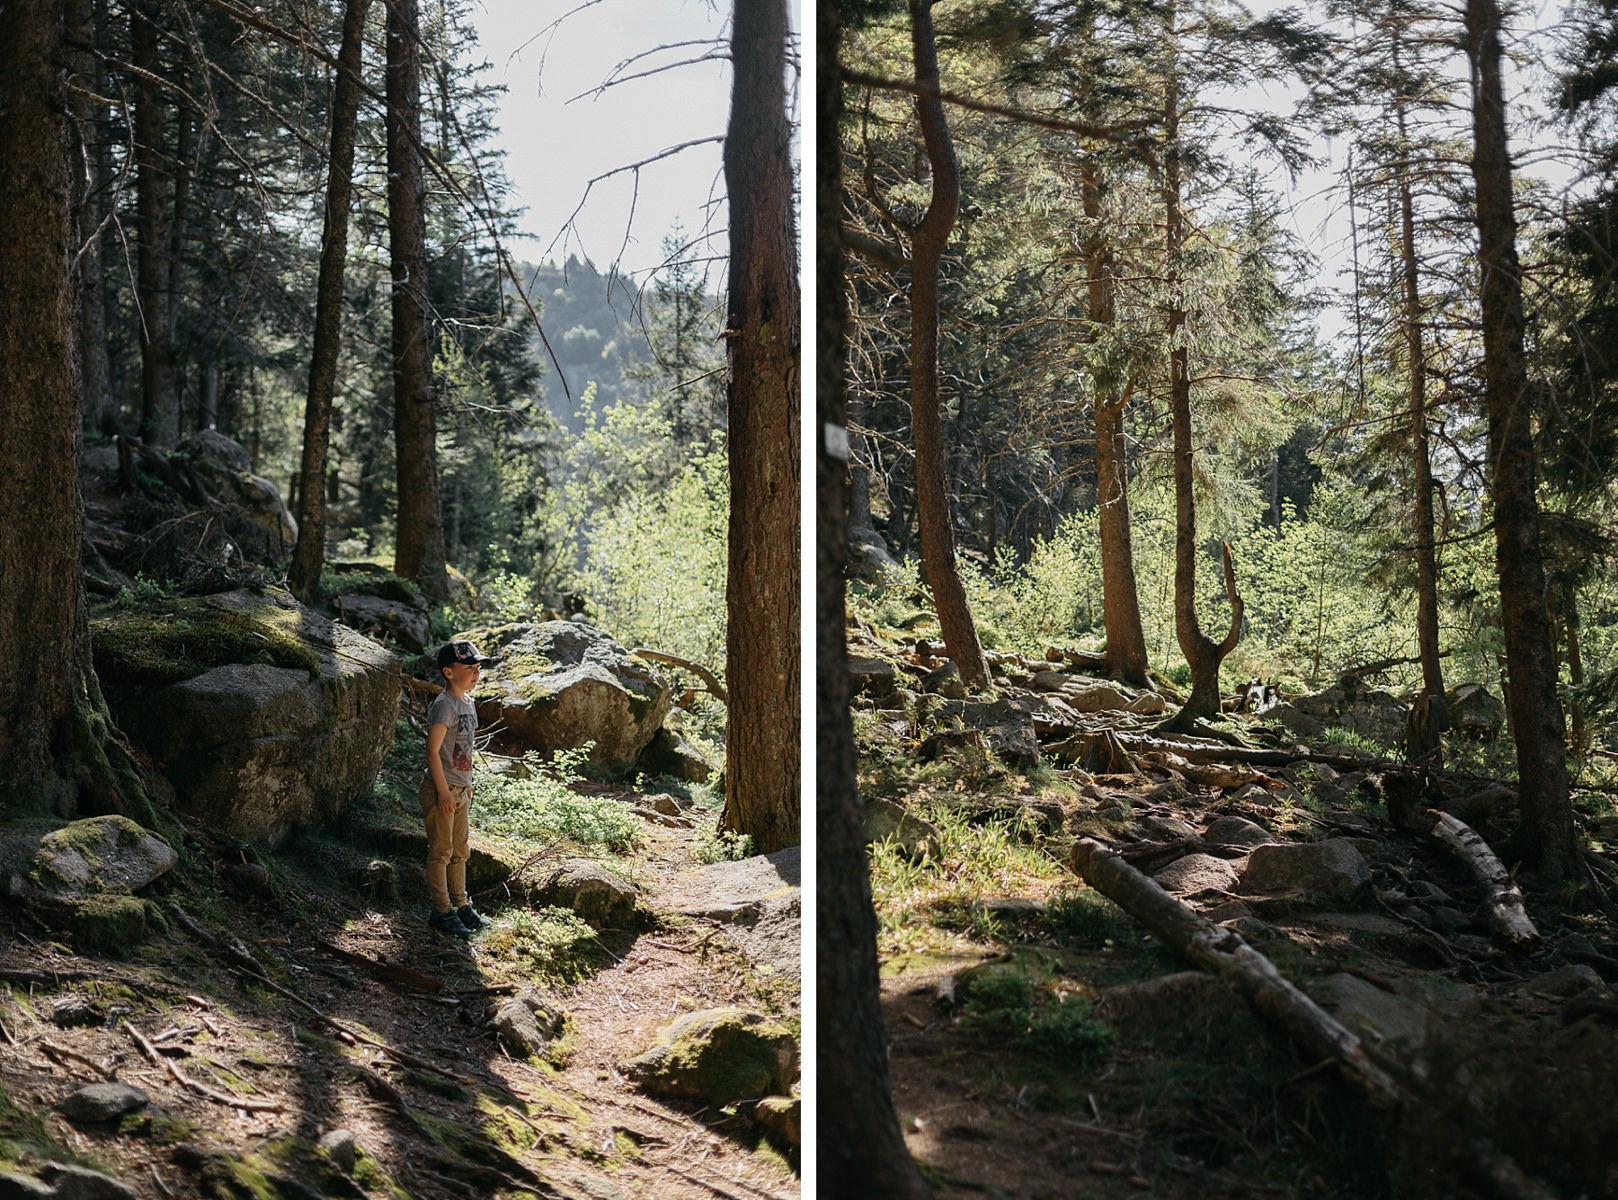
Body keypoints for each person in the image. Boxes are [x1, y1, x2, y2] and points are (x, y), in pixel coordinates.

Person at [422, 639, 495, 937]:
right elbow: (432, 752)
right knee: (441, 851)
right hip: (442, 791)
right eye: (470, 668)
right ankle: (441, 911)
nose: (476, 673)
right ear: (449, 672)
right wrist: (441, 791)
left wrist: (467, 786)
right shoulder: (444, 706)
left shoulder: (468, 702)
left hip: (461, 791)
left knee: (460, 851)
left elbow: (465, 749)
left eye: (478, 668)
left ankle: (461, 906)